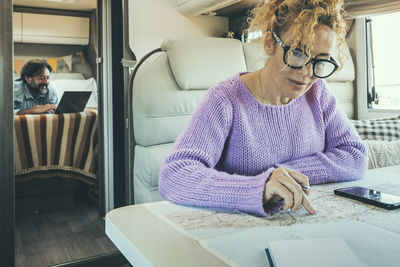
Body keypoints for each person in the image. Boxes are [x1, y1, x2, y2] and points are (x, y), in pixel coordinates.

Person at [159, 0, 368, 217]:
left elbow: (355, 155)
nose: (307, 73)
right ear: (270, 43)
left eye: (320, 61)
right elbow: (175, 175)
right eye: (298, 52)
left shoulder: (319, 93)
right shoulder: (224, 99)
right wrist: (260, 186)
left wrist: (285, 175)